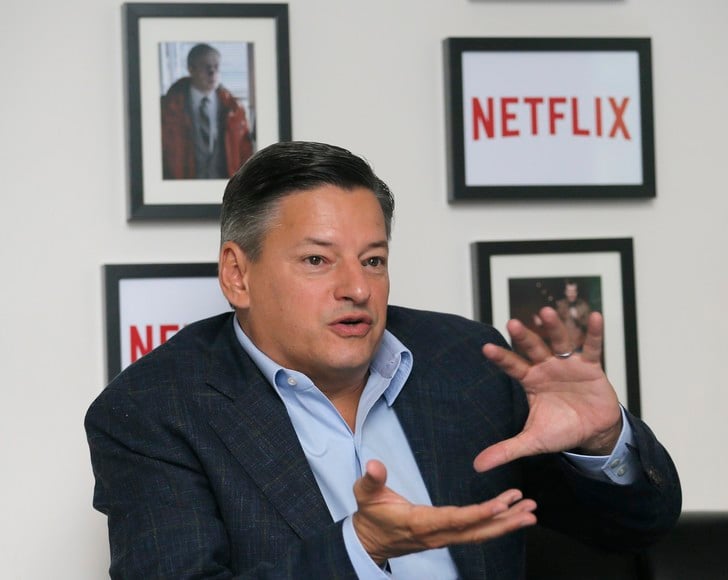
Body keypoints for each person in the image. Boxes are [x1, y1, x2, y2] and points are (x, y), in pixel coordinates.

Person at [85, 141, 681, 578]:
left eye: (373, 260)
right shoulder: (154, 411)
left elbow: (635, 531)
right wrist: (360, 547)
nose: (357, 289)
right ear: (238, 275)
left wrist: (602, 444)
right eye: (317, 261)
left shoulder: (467, 362)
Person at [160, 43, 253, 180]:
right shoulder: (168, 108)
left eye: (216, 67)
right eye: (206, 67)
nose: (212, 72)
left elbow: (246, 154)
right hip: (182, 187)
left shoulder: (235, 110)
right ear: (191, 69)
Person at [553, 279, 592, 352]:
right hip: (564, 345)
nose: (571, 294)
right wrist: (542, 323)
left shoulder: (584, 306)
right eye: (569, 291)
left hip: (579, 346)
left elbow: (588, 326)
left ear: (577, 292)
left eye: (573, 291)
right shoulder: (560, 305)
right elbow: (554, 323)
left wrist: (578, 318)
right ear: (565, 292)